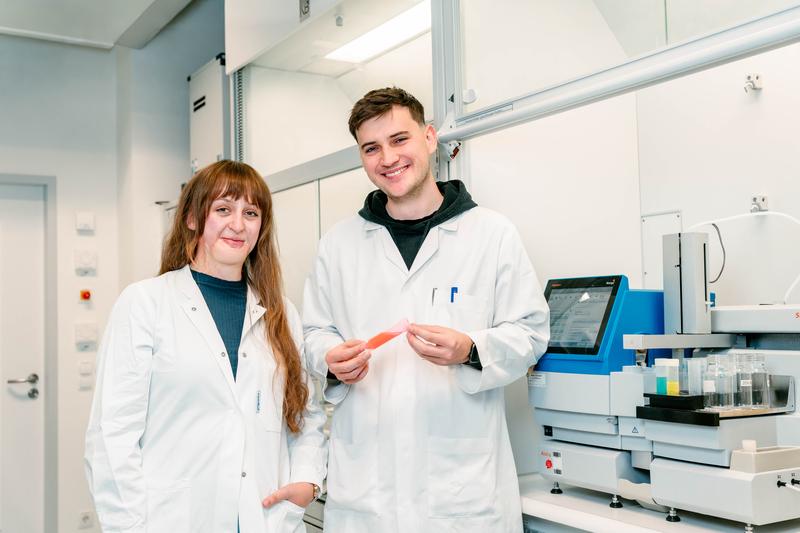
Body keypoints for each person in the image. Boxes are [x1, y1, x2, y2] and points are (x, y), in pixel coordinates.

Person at [303, 87, 550, 532]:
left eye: (400, 140)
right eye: (371, 148)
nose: (388, 158)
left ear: (430, 138)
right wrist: (330, 360)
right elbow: (314, 333)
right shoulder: (338, 245)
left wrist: (471, 349)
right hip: (368, 495)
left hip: (462, 493)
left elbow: (531, 332)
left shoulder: (491, 235)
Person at [85, 160, 326, 533]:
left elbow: (306, 412)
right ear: (193, 218)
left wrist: (308, 480)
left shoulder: (281, 313)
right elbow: (113, 435)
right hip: (172, 518)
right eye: (223, 209)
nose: (238, 224)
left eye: (250, 212)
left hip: (264, 515)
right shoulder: (146, 303)